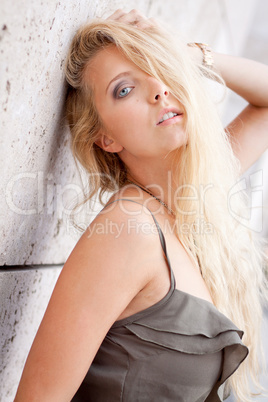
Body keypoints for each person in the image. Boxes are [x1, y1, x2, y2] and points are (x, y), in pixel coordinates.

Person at [15, 9, 268, 402]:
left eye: (157, 68)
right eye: (123, 89)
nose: (158, 88)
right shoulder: (128, 228)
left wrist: (188, 56)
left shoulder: (195, 198)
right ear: (106, 138)